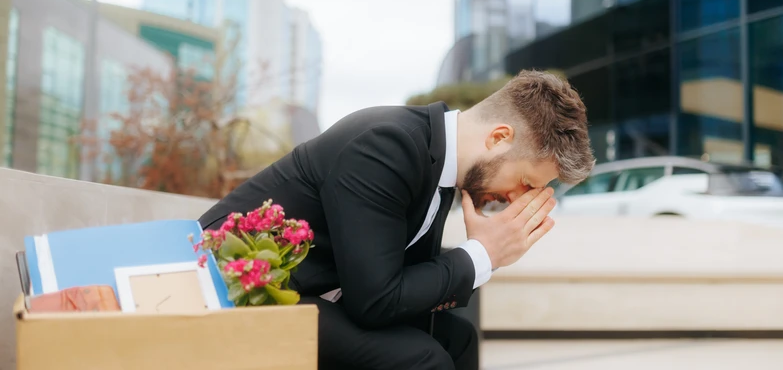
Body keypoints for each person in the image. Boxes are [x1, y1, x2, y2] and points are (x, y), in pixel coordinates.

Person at [198, 69, 595, 370]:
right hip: (238, 288)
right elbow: (375, 302)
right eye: (526, 182)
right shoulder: (389, 145)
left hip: (312, 294)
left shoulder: (441, 169)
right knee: (420, 359)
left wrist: (480, 256)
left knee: (459, 339)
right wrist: (481, 256)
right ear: (498, 138)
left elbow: (397, 285)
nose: (515, 199)